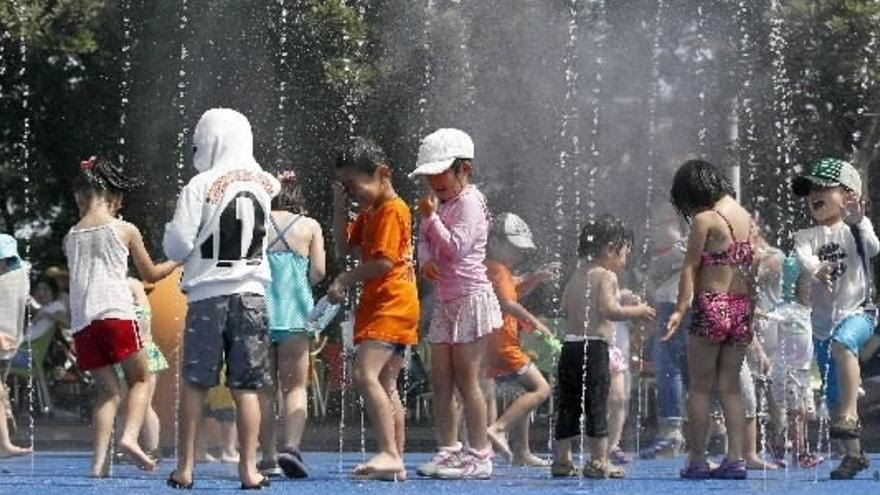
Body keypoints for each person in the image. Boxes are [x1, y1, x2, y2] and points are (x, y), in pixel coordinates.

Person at [163, 108, 280, 490]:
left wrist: (174, 233)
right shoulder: (265, 184)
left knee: (196, 382)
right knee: (247, 387)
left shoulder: (199, 184)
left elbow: (177, 245)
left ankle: (185, 468)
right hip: (252, 295)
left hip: (208, 295)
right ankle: (249, 469)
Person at [65, 155, 178, 477]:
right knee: (141, 378)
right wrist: (178, 259)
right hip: (116, 314)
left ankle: (98, 465)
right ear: (113, 197)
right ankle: (129, 438)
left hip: (83, 324)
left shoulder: (71, 236)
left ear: (81, 196)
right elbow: (152, 274)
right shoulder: (124, 229)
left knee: (107, 391)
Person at [411, 129, 502, 480]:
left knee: (467, 379)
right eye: (429, 175)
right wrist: (424, 261)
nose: (433, 181)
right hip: (447, 302)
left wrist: (431, 219)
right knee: (442, 380)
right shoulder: (439, 203)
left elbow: (455, 247)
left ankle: (480, 455)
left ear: (465, 168)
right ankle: (449, 450)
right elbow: (426, 244)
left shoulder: (469, 202)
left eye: (440, 173)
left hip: (471, 300)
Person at [329, 137, 419, 480]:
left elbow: (383, 263)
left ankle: (389, 453)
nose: (351, 192)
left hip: (391, 305)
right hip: (389, 305)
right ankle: (395, 460)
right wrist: (339, 208)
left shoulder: (392, 211)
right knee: (386, 383)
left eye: (354, 185)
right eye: (345, 187)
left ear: (382, 173)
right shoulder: (371, 212)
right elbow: (342, 247)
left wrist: (344, 280)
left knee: (364, 374)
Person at [663, 159, 757, 480]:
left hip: (711, 304)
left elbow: (690, 267)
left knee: (700, 389)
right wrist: (751, 314)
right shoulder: (746, 218)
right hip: (740, 307)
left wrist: (679, 309)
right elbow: (751, 269)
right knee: (730, 388)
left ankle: (698, 459)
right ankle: (735, 459)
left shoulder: (704, 219)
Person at [791, 158, 879, 479]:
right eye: (810, 189)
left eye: (822, 187)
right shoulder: (805, 235)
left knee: (844, 343)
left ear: (848, 195)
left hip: (860, 313)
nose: (814, 193)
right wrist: (817, 269)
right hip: (821, 326)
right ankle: (854, 456)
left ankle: (851, 414)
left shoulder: (856, 227)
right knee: (832, 396)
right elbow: (803, 258)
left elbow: (872, 249)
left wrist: (860, 220)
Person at [552, 215, 656, 479]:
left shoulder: (578, 273)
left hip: (570, 347)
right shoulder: (607, 275)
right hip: (595, 348)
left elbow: (564, 306)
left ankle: (561, 460)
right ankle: (598, 461)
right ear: (610, 248)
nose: (626, 258)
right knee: (597, 404)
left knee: (568, 406)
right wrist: (637, 310)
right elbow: (609, 311)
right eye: (625, 252)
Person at [258, 170, 325, 479]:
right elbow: (320, 272)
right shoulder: (310, 226)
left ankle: (268, 457)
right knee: (296, 385)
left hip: (260, 312)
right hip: (296, 315)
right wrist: (301, 279)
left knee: (266, 389)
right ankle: (291, 447)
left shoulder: (258, 221)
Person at [482, 212, 554, 467]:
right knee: (541, 388)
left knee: (524, 392)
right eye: (514, 248)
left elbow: (513, 292)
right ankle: (499, 428)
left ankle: (520, 451)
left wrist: (534, 278)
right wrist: (536, 324)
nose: (518, 254)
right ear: (494, 242)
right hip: (504, 345)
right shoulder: (499, 270)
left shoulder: (490, 268)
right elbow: (509, 302)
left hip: (489, 345)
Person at [641, 203, 689, 459]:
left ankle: (672, 431)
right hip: (671, 304)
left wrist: (658, 268)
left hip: (676, 304)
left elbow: (683, 255)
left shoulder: (679, 241)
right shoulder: (665, 248)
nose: (651, 228)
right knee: (680, 367)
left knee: (670, 366)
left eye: (657, 222)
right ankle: (712, 426)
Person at [766, 257, 821, 468]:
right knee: (796, 413)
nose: (810, 291)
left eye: (813, 287)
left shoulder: (809, 311)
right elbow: (771, 316)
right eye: (806, 286)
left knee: (804, 414)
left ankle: (778, 444)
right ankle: (801, 453)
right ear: (796, 287)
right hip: (788, 370)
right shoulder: (788, 308)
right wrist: (754, 311)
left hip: (804, 372)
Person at [0, 234, 34, 457]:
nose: (4, 266)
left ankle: (4, 442)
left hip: (6, 347)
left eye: (8, 261)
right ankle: (5, 442)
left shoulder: (15, 277)